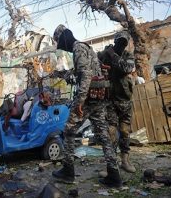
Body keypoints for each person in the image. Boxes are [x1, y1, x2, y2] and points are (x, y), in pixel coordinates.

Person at [51, 24, 122, 187]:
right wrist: (66, 74)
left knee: (68, 130)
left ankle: (68, 171)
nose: (63, 47)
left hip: (88, 99)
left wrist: (80, 101)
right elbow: (85, 70)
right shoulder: (87, 48)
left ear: (64, 38)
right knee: (103, 135)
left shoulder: (78, 48)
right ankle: (114, 175)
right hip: (98, 98)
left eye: (60, 43)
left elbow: (86, 75)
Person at [98, 30, 136, 173]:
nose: (122, 44)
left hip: (125, 100)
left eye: (124, 42)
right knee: (111, 132)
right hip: (111, 100)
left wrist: (112, 55)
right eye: (119, 41)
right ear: (115, 41)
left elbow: (126, 68)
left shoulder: (128, 55)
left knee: (125, 132)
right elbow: (96, 62)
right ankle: (111, 164)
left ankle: (125, 160)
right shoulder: (106, 54)